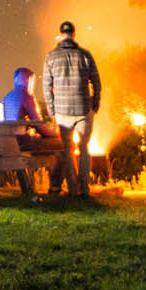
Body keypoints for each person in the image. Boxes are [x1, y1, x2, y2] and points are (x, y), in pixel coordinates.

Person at [42, 19, 100, 197]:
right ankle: (85, 189)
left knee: (67, 150)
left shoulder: (51, 57)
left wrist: (52, 110)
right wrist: (94, 105)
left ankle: (73, 189)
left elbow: (46, 86)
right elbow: (96, 83)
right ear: (74, 35)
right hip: (83, 109)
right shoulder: (85, 55)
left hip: (62, 112)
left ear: (61, 35)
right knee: (84, 149)